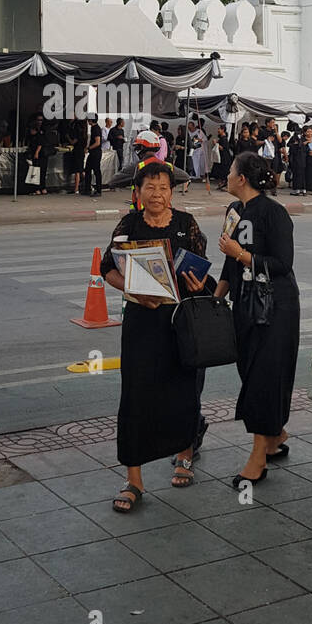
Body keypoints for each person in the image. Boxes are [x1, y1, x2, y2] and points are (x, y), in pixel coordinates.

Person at [99, 159, 211, 512]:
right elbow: (107, 268)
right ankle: (134, 479)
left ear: (172, 192)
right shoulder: (129, 224)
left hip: (179, 321)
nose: (157, 194)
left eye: (163, 188)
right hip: (141, 323)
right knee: (136, 394)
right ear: (138, 192)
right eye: (150, 187)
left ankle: (184, 453)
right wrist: (131, 288)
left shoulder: (186, 224)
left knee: (183, 388)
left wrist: (198, 282)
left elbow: (201, 271)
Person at [214, 152, 300, 485]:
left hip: (275, 307)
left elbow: (283, 263)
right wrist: (216, 299)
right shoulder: (233, 211)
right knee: (250, 371)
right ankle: (274, 435)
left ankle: (258, 456)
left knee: (265, 376)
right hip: (244, 305)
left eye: (231, 170)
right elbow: (227, 261)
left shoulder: (274, 213)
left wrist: (243, 255)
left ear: (242, 178)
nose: (228, 174)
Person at [82, 116, 103, 197]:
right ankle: (87, 189)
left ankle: (98, 190)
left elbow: (97, 142)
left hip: (95, 153)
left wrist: (88, 148)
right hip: (93, 152)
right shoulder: (94, 128)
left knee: (96, 171)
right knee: (87, 169)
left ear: (91, 120)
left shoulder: (96, 129)